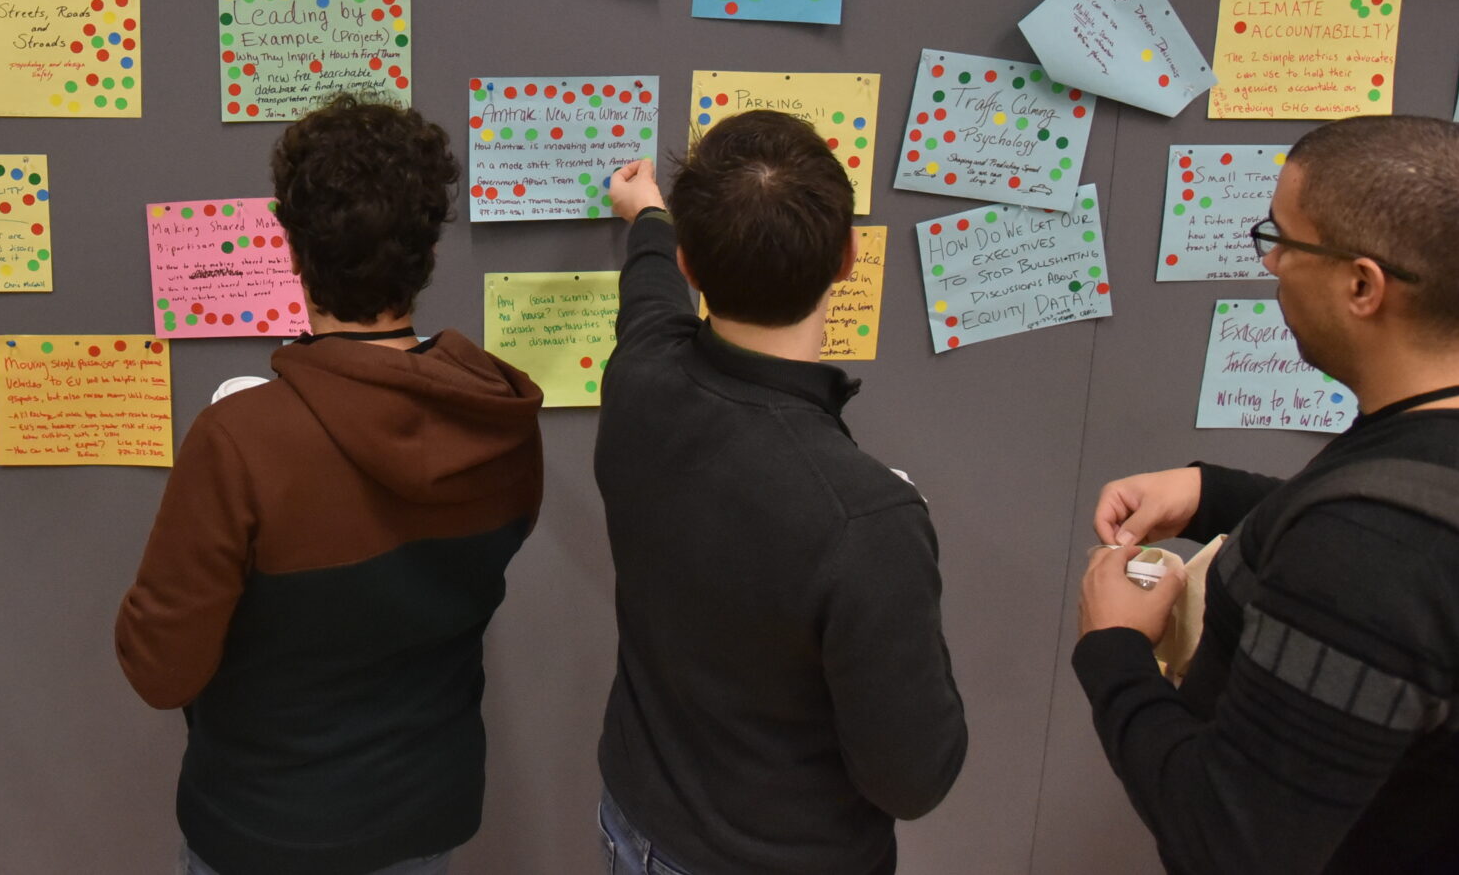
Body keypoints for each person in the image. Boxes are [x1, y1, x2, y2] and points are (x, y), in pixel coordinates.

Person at [1075, 114, 1459, 874]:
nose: (1274, 261)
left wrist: (1113, 649)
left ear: (1361, 284)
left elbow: (1228, 840)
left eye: (1283, 237)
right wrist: (1216, 493)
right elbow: (1441, 551)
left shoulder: (1368, 555)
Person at [116, 95, 545, 875]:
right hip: (425, 813)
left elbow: (159, 667)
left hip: (263, 828)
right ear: (427, 254)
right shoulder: (502, 419)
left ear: (293, 250)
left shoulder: (239, 440)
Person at [599, 111, 967, 873]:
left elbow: (651, 295)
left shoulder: (638, 379)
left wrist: (649, 219)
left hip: (635, 824)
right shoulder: (866, 518)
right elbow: (913, 777)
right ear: (848, 256)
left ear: (692, 265)